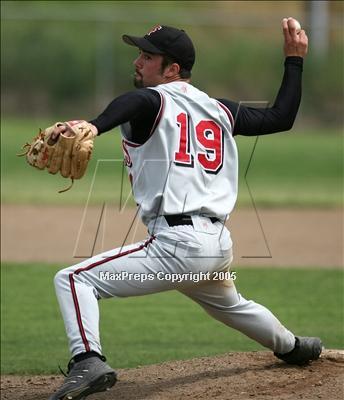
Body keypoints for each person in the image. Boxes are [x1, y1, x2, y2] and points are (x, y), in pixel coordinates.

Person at [49, 19, 323, 400]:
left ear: (172, 69)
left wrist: (94, 126)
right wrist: (294, 62)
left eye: (147, 57)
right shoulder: (219, 109)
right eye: (140, 54)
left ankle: (87, 360)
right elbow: (281, 117)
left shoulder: (154, 99)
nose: (138, 63)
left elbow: (138, 102)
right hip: (215, 245)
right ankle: (293, 347)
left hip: (177, 245)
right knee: (230, 304)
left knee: (74, 279)